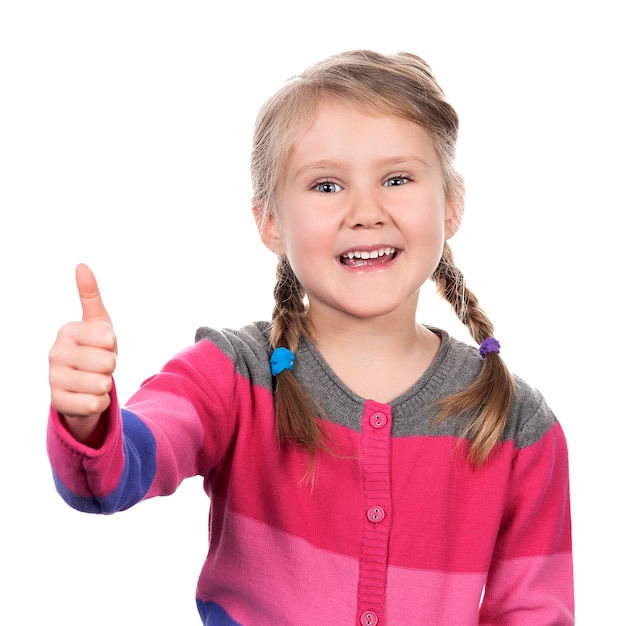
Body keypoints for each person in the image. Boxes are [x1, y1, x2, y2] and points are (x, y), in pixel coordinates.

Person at [47, 50, 574, 625]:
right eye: (326, 185)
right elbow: (123, 467)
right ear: (270, 221)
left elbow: (535, 612)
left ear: (451, 204)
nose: (366, 211)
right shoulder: (231, 375)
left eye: (397, 178)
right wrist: (88, 419)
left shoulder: (518, 423)